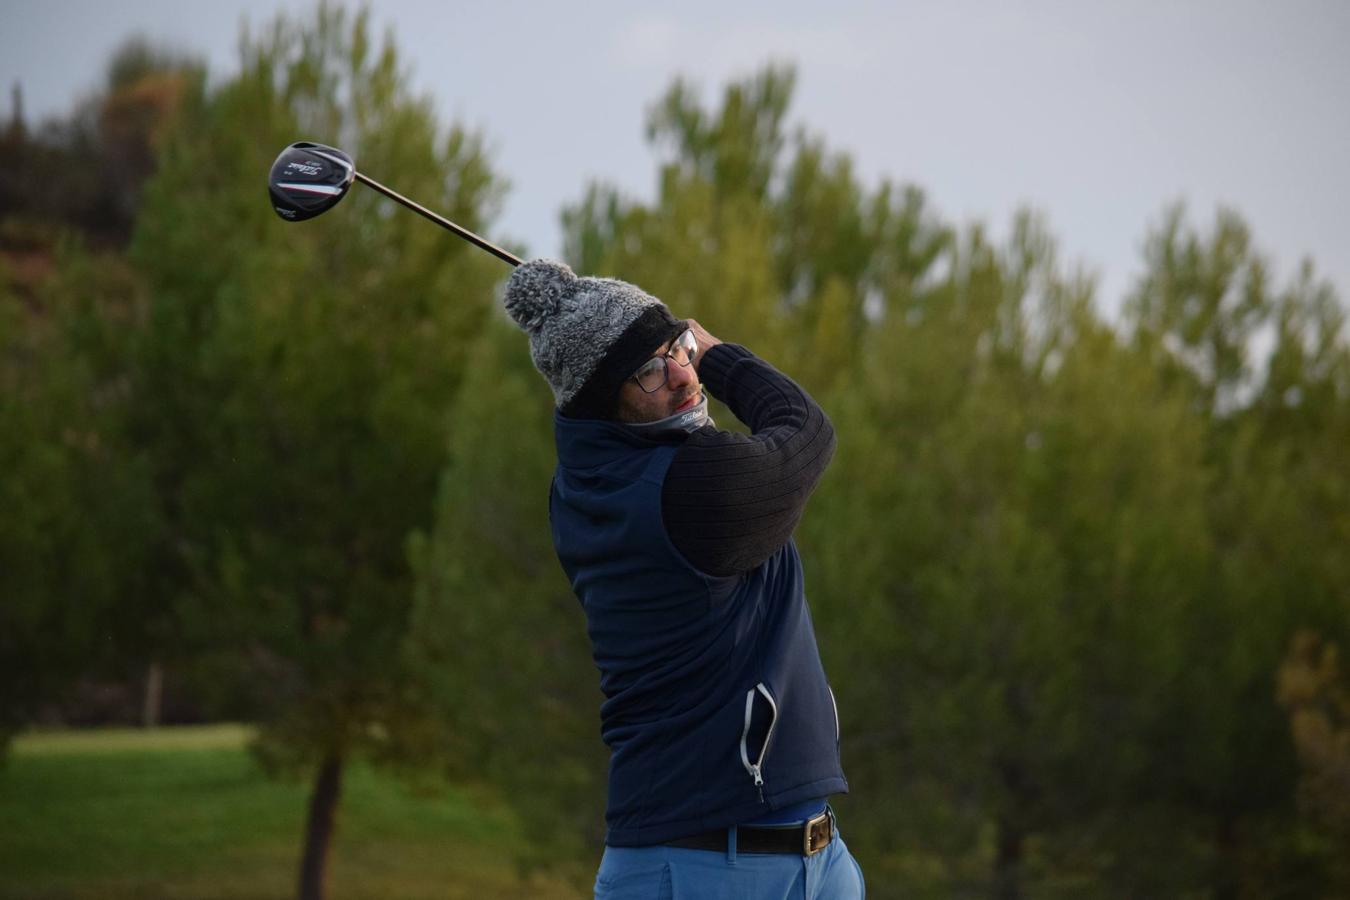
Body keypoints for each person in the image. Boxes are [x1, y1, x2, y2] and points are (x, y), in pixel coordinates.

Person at [503, 259, 865, 899]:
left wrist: (674, 353)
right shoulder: (687, 489)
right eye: (648, 370)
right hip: (706, 867)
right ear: (601, 406)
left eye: (678, 349)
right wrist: (721, 356)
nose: (680, 374)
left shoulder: (590, 483)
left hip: (811, 857)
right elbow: (806, 430)